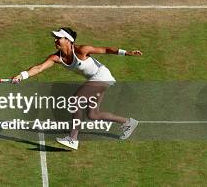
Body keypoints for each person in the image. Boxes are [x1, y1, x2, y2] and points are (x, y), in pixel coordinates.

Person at [12, 27, 142, 150]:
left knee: (75, 100)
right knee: (93, 114)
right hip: (96, 79)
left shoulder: (82, 50)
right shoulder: (56, 58)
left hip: (102, 76)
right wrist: (21, 76)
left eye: (59, 38)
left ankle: (73, 138)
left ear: (68, 40)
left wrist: (127, 53)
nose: (55, 40)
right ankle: (128, 122)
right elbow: (39, 68)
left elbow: (105, 50)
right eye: (55, 38)